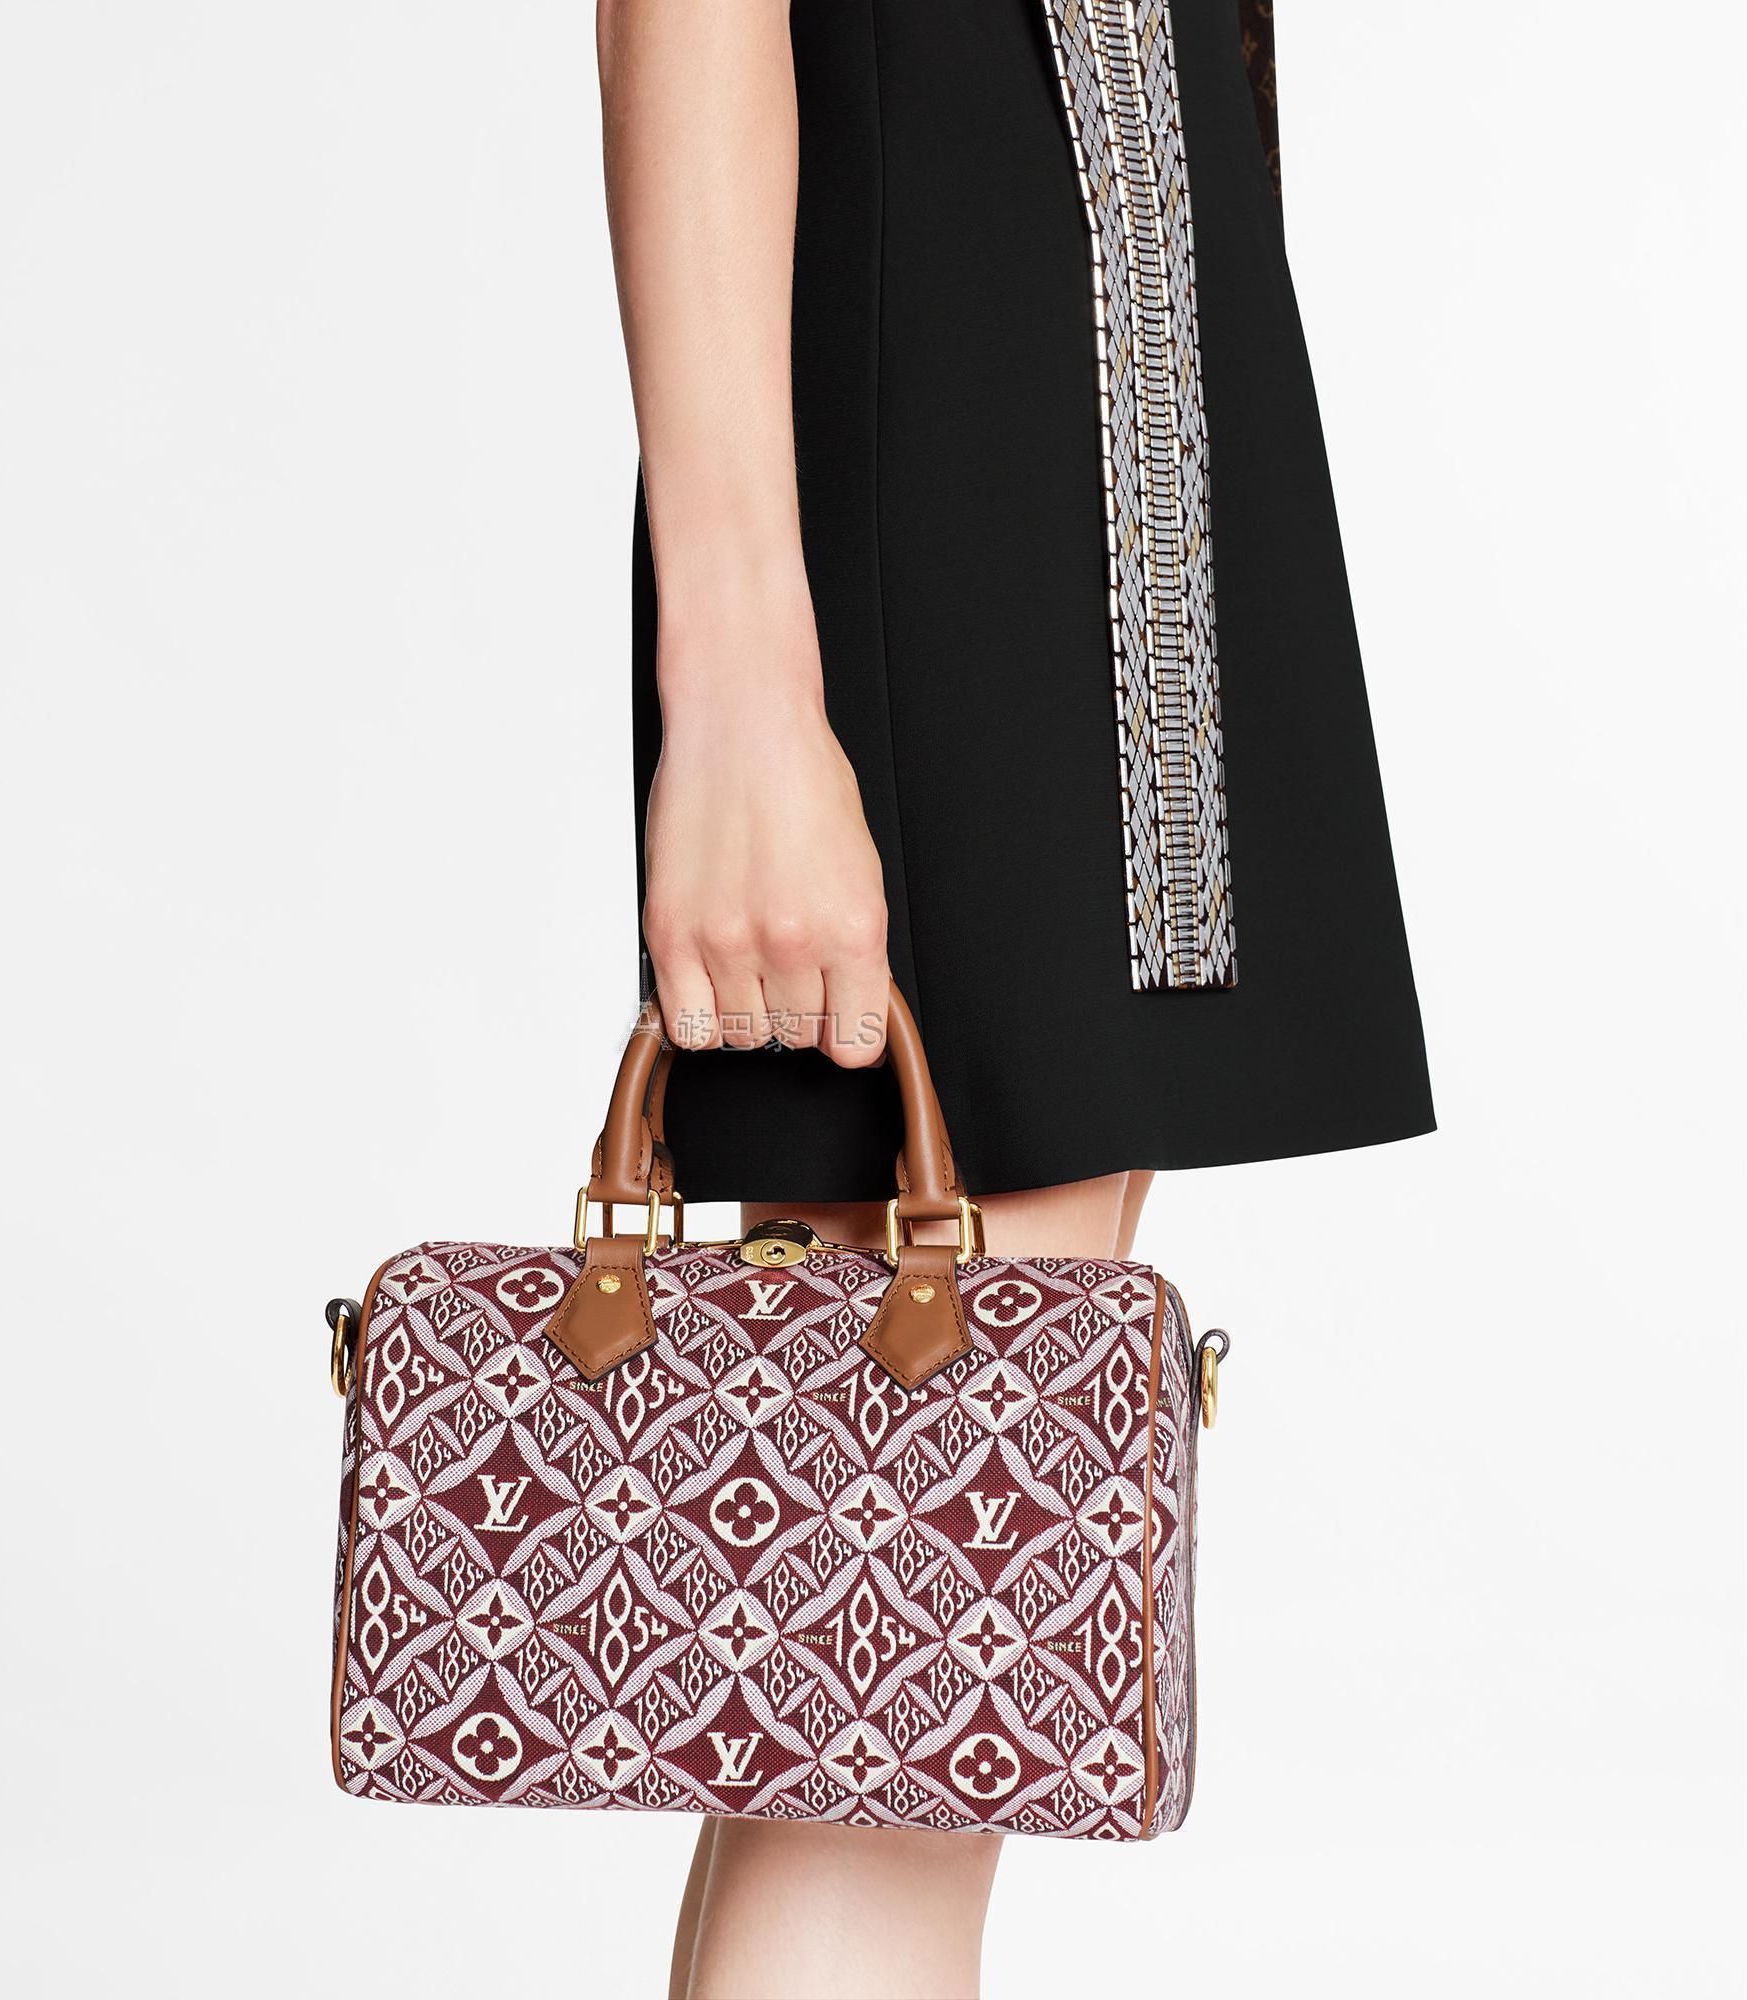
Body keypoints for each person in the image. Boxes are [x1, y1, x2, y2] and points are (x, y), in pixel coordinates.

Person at [598, 3, 1432, 1993]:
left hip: (1122, 388)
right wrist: (740, 692)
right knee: (906, 1651)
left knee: (880, 1663)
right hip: (980, 395)